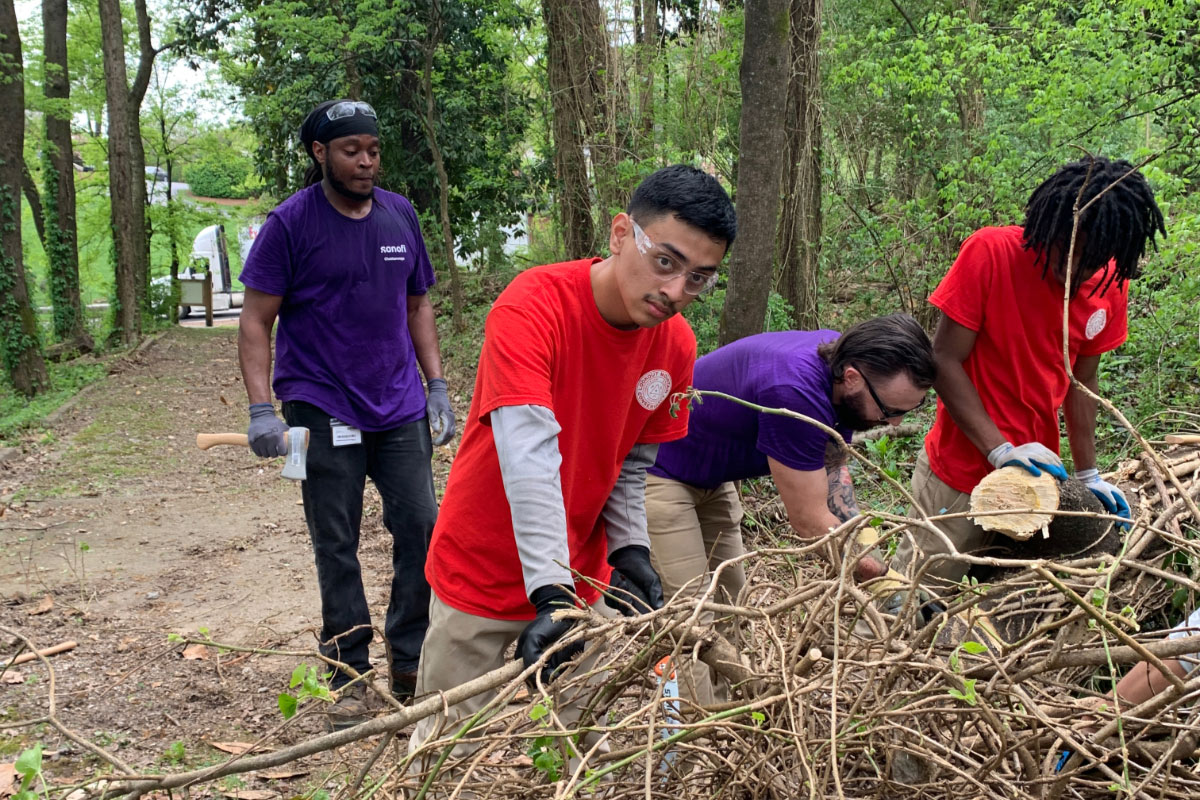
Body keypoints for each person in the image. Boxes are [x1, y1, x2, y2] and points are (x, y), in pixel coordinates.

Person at [407, 165, 737, 765]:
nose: (676, 290)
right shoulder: (534, 305)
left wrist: (628, 548)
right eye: (665, 262)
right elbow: (529, 453)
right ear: (620, 234)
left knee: (580, 743)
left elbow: (633, 460)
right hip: (483, 562)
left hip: (580, 576)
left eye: (699, 278)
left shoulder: (676, 345)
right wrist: (550, 593)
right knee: (442, 746)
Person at [237, 99, 455, 730]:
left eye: (373, 149)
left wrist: (435, 385)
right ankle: (350, 673)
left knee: (422, 529)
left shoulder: (400, 214)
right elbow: (256, 320)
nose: (365, 161)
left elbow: (418, 306)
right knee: (337, 541)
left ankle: (411, 660)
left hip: (398, 404)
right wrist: (261, 409)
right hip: (319, 403)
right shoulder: (291, 224)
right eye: (351, 150)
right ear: (319, 154)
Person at [895, 156, 1166, 591]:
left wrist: (1087, 474)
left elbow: (1084, 382)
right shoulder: (991, 253)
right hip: (958, 471)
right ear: (1049, 228)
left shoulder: (1112, 284)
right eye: (1067, 251)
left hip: (1038, 481)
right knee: (915, 596)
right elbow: (944, 360)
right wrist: (999, 449)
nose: (1075, 271)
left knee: (1002, 607)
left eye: (1091, 261)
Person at [645, 314, 936, 705]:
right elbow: (811, 522)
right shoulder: (795, 391)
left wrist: (881, 572)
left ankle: (730, 709)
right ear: (852, 377)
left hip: (710, 475)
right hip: (659, 469)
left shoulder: (846, 364)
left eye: (906, 412)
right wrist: (883, 581)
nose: (895, 421)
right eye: (888, 411)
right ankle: (696, 738)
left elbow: (835, 477)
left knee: (730, 600)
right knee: (692, 615)